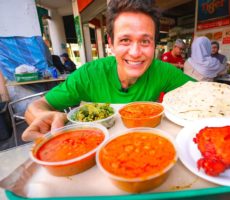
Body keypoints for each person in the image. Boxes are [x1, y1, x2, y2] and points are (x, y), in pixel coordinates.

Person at [22, 0, 194, 141]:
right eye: (125, 40)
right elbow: (36, 106)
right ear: (111, 43)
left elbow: (206, 94)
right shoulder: (89, 74)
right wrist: (44, 116)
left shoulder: (163, 71)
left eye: (145, 41)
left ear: (154, 44)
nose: (135, 53)